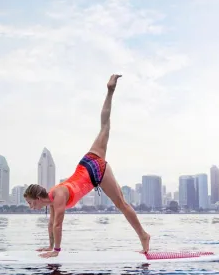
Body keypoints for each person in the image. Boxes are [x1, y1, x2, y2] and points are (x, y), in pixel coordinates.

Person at [24, 74, 151, 258]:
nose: (30, 206)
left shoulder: (57, 196)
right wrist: (49, 246)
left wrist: (56, 252)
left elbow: (58, 224)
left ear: (37, 197)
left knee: (121, 204)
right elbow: (51, 224)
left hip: (96, 170)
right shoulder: (52, 198)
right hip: (86, 161)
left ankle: (144, 236)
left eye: (30, 202)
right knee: (104, 127)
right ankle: (110, 91)